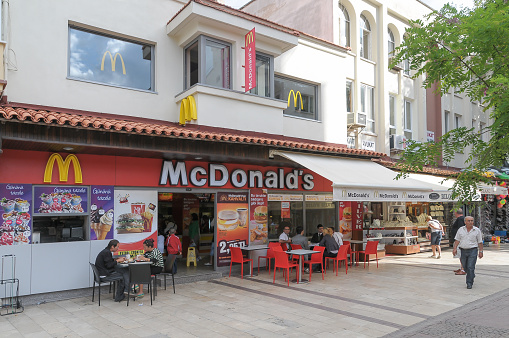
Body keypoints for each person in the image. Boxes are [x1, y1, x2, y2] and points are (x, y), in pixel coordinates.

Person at [452, 216, 483, 289]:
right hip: (463, 250)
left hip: (473, 250)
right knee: (465, 267)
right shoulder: (461, 230)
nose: (470, 222)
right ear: (465, 222)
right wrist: (455, 248)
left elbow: (480, 242)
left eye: (472, 221)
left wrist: (481, 251)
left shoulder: (477, 230)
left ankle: (469, 283)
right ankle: (471, 274)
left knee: (470, 266)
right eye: (468, 221)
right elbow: (457, 240)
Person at [451, 210, 466, 274]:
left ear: (456, 213)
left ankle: (463, 269)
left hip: (459, 240)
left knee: (460, 254)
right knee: (460, 254)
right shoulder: (463, 218)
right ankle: (462, 268)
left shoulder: (460, 219)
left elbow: (461, 229)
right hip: (460, 239)